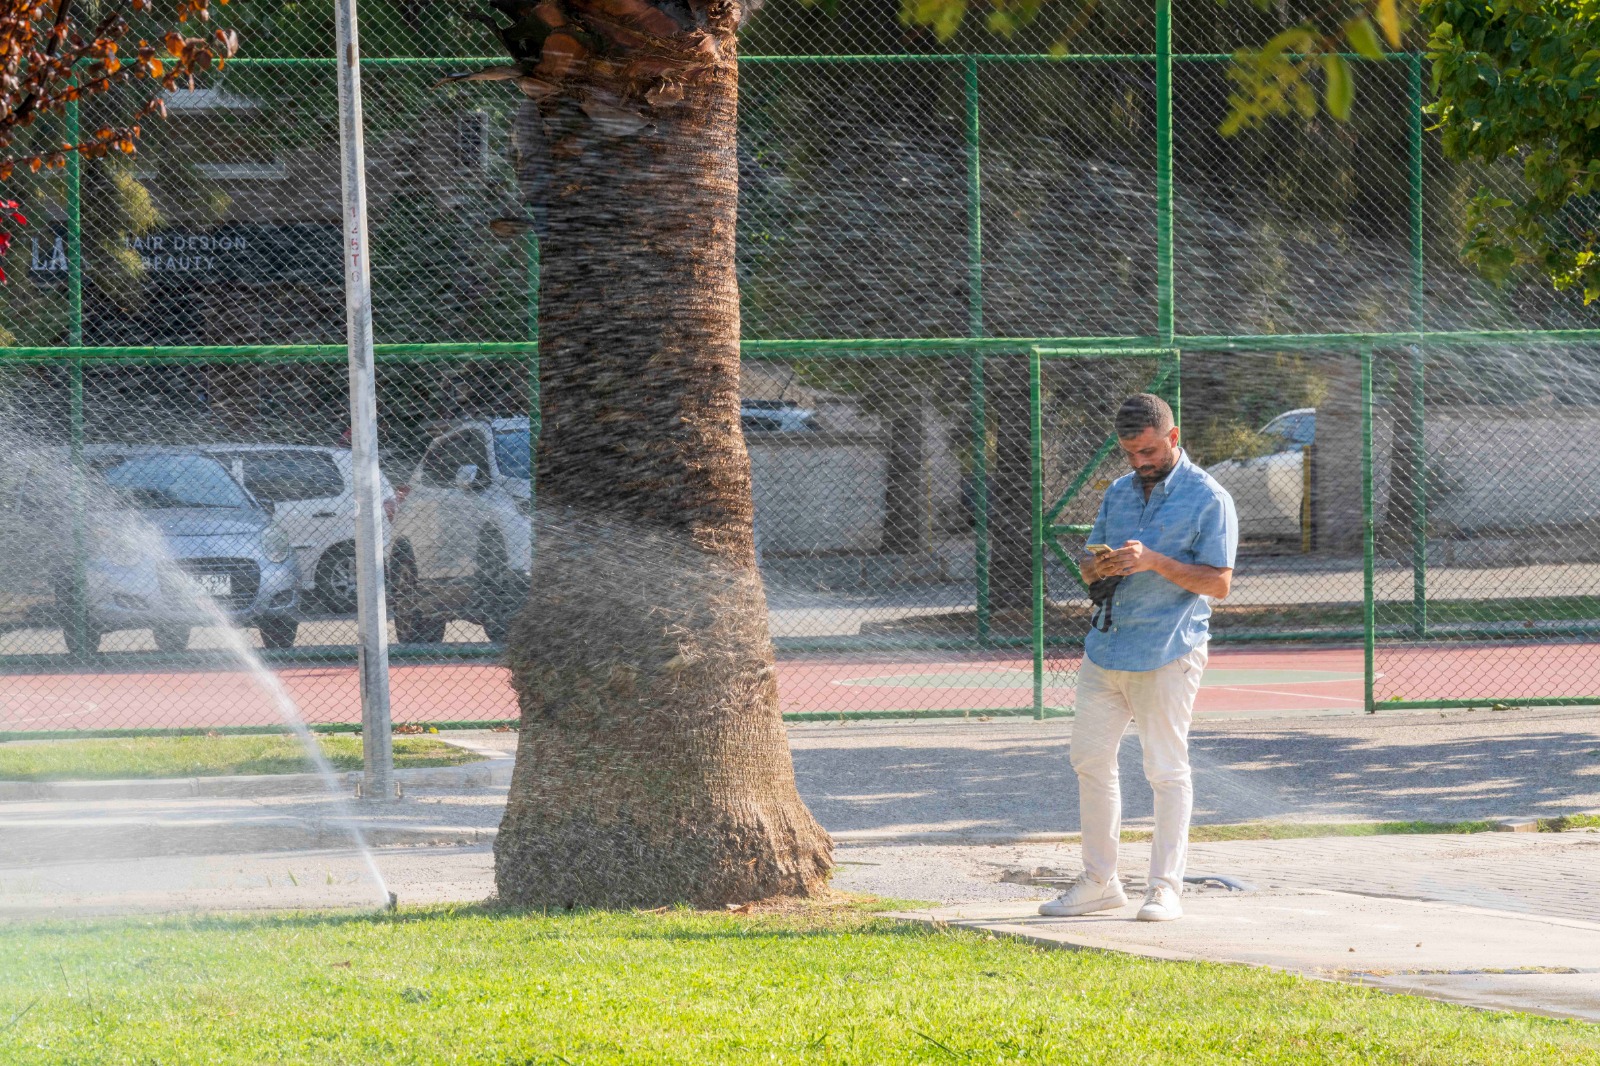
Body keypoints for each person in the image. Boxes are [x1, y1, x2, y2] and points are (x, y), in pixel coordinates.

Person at [1038, 393, 1237, 923]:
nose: (1139, 463)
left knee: (1166, 771)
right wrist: (1100, 567)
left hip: (1169, 650)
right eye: (1129, 453)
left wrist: (1152, 562)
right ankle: (1100, 882)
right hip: (1106, 649)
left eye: (1148, 451)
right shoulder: (1119, 492)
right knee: (1089, 760)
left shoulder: (1209, 498)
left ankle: (1165, 888)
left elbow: (1218, 583)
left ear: (1173, 438)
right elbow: (1086, 565)